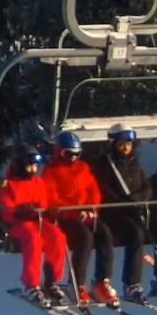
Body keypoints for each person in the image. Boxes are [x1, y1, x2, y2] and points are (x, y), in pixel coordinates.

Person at [44, 131, 114, 306]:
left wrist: (91, 208)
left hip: (85, 214)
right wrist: (74, 211)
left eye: (77, 154)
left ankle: (101, 281)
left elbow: (94, 190)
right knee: (85, 237)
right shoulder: (51, 171)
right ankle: (76, 283)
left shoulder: (83, 168)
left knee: (105, 233)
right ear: (59, 152)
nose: (73, 158)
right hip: (66, 217)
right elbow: (51, 198)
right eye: (68, 154)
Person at [0, 144, 69, 308]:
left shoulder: (37, 182)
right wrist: (18, 211)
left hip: (37, 220)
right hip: (19, 224)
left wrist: (46, 211)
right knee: (34, 240)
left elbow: (42, 202)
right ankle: (31, 284)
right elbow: (6, 207)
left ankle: (51, 281)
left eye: (35, 166)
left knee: (58, 237)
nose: (33, 169)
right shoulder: (8, 184)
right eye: (30, 165)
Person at [90, 124, 152, 305]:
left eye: (129, 144)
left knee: (137, 234)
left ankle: (132, 283)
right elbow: (104, 190)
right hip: (111, 213)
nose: (126, 148)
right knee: (113, 236)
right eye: (121, 144)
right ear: (113, 144)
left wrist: (137, 198)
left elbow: (146, 186)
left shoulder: (134, 163)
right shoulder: (105, 164)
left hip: (131, 211)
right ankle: (102, 281)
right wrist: (125, 203)